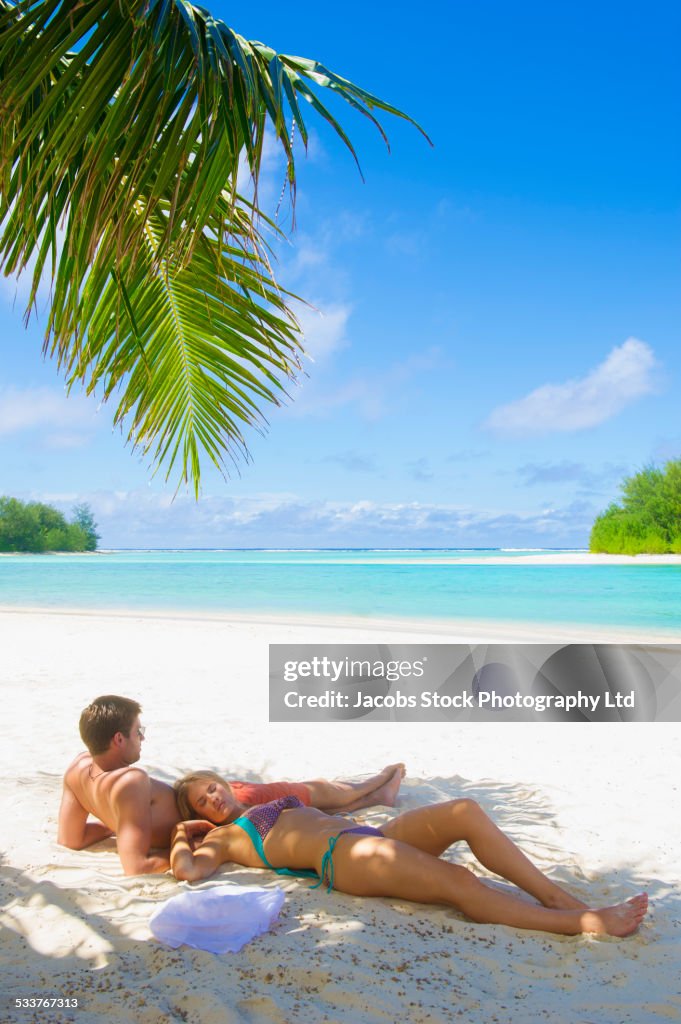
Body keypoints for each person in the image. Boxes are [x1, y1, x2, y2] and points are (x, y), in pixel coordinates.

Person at [170, 783, 649, 938]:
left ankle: (554, 896)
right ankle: (578, 922)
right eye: (200, 802)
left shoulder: (269, 799)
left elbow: (337, 796)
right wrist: (180, 833)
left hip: (369, 835)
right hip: (346, 858)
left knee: (466, 811)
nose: (212, 798)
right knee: (457, 880)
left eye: (212, 786)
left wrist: (380, 784)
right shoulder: (227, 838)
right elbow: (186, 871)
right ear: (199, 816)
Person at [58, 694, 405, 875]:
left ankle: (377, 782)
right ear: (118, 739)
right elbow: (136, 867)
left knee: (309, 794)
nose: (142, 740)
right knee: (309, 799)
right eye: (138, 733)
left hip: (217, 798)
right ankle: (376, 793)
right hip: (216, 808)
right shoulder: (131, 780)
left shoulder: (77, 768)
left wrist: (115, 826)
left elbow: (70, 838)